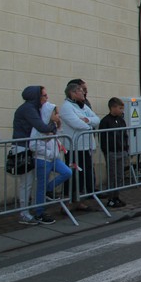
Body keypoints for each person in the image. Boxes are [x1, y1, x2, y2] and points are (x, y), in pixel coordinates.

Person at [12, 86, 56, 224]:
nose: (46, 98)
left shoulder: (34, 108)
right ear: (36, 96)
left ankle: (30, 211)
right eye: (44, 95)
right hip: (22, 149)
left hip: (28, 149)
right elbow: (42, 127)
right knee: (26, 183)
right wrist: (52, 127)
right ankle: (24, 213)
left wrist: (51, 128)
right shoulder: (28, 109)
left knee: (30, 183)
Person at [60, 81, 100, 211]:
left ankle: (79, 200)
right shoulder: (66, 107)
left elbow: (97, 119)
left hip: (86, 146)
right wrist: (89, 125)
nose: (83, 93)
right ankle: (69, 201)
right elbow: (77, 124)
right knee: (73, 175)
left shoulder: (83, 106)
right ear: (72, 93)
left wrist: (88, 120)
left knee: (83, 174)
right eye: (80, 90)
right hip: (74, 147)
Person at [28, 102, 71, 224]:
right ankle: (39, 212)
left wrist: (59, 128)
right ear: (48, 113)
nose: (58, 115)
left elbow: (57, 139)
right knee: (41, 186)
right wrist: (49, 153)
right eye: (55, 113)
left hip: (53, 159)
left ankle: (49, 189)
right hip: (43, 159)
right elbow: (33, 145)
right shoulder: (38, 127)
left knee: (67, 172)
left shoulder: (53, 126)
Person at [98, 97, 129, 208]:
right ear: (113, 108)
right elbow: (102, 138)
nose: (122, 111)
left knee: (119, 175)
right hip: (111, 152)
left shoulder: (121, 121)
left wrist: (126, 149)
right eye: (120, 108)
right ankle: (111, 198)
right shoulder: (105, 121)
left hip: (121, 151)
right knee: (112, 175)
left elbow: (125, 135)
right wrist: (106, 151)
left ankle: (116, 196)